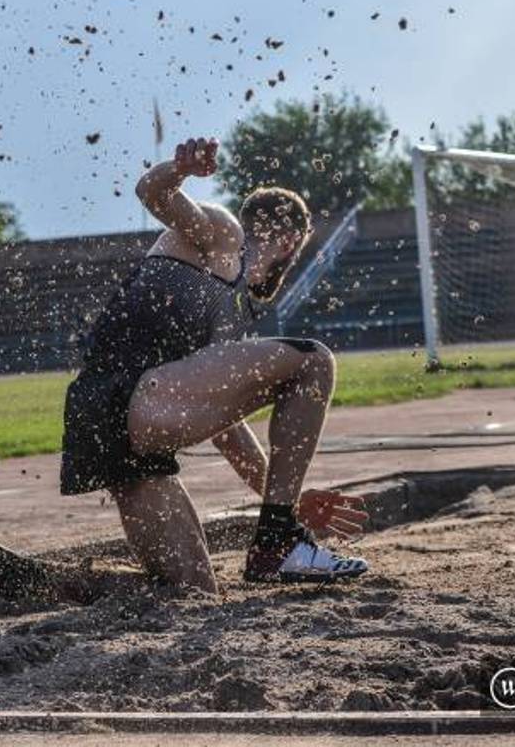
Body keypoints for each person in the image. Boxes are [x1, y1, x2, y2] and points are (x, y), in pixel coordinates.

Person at [59, 136, 369, 594]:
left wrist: (285, 500)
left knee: (190, 588)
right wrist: (180, 168)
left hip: (106, 423)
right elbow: (152, 191)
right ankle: (278, 541)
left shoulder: (227, 317)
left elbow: (227, 430)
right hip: (129, 396)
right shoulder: (226, 237)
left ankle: (11, 580)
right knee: (312, 361)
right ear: (289, 242)